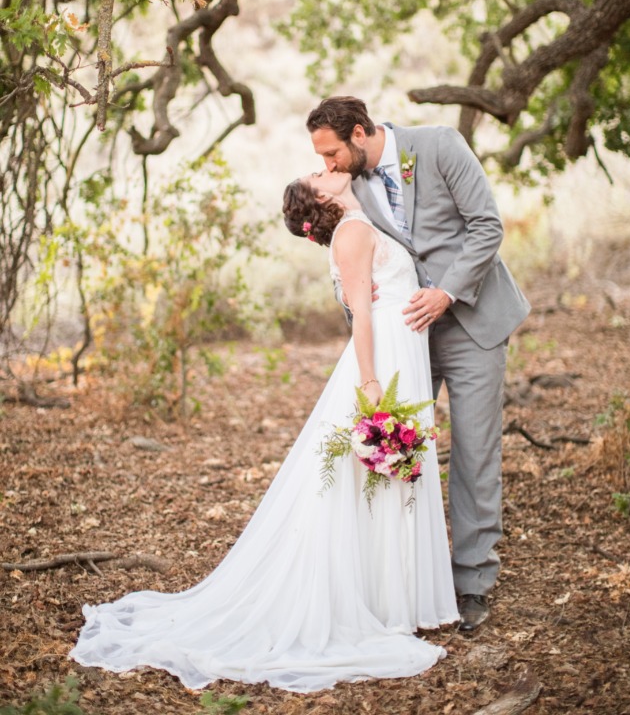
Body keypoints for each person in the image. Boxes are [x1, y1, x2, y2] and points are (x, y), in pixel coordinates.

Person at [69, 169, 458, 694]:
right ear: (321, 197)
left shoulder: (361, 221)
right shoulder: (354, 233)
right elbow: (360, 314)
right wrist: (369, 382)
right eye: (318, 172)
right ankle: (379, 603)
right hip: (381, 355)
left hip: (398, 348)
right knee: (370, 476)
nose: (328, 169)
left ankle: (393, 599)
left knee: (386, 476)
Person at [306, 96, 531, 632]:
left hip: (473, 321)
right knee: (394, 445)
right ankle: (398, 579)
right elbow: (354, 271)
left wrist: (448, 293)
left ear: (360, 133)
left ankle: (473, 583)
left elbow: (486, 227)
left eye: (333, 153)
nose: (329, 165)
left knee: (474, 454)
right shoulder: (349, 186)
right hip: (407, 337)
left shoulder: (439, 145)